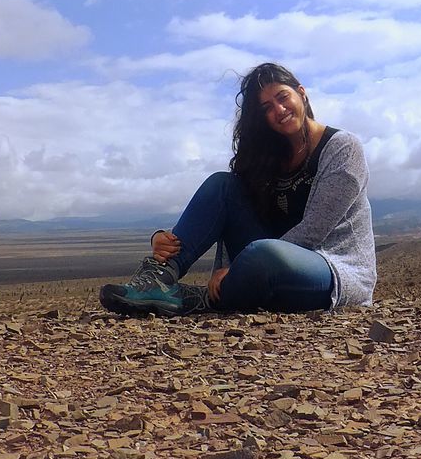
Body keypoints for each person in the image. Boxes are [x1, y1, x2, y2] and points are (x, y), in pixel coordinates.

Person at [99, 63, 376, 316]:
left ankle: (201, 300)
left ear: (301, 93)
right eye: (266, 108)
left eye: (282, 97)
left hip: (330, 268)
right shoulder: (270, 156)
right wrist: (162, 238)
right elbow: (232, 213)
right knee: (223, 185)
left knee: (263, 255)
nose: (278, 110)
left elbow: (314, 231)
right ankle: (156, 278)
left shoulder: (342, 148)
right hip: (266, 258)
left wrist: (236, 269)